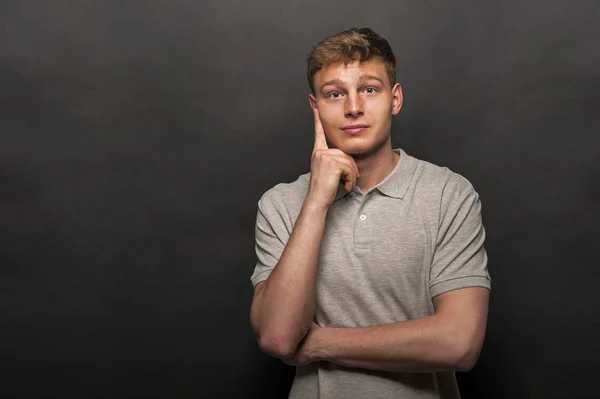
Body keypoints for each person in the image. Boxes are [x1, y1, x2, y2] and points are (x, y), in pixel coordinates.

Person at [249, 27, 491, 399]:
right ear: (315, 107)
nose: (353, 108)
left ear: (395, 98)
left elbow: (460, 343)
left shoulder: (448, 194)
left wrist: (319, 344)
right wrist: (316, 201)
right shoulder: (280, 204)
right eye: (334, 94)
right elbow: (279, 337)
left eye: (369, 89)